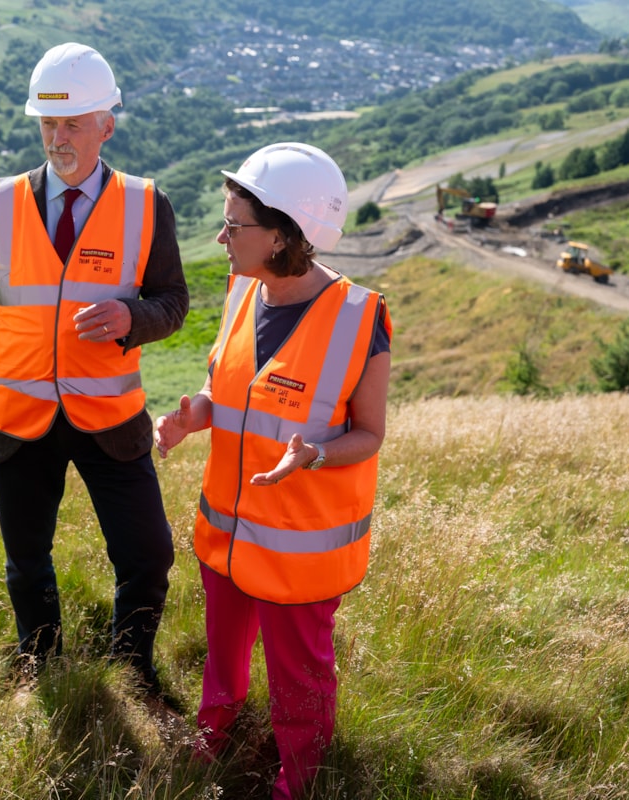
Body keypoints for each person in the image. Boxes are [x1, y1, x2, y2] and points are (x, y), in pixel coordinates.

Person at [0, 42, 189, 699]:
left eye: (73, 124)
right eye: (48, 123)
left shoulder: (147, 204)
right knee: (26, 560)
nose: (58, 138)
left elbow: (174, 302)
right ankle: (40, 663)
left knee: (148, 555)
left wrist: (133, 317)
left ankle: (132, 669)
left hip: (110, 417)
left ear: (106, 125)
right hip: (16, 418)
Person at [154, 142, 392, 799]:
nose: (222, 237)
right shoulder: (241, 293)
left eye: (235, 226)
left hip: (299, 549)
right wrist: (194, 417)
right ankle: (216, 730)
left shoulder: (359, 318)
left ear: (283, 235)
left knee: (300, 678)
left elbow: (370, 434)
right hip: (227, 533)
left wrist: (314, 454)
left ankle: (300, 777)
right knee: (223, 653)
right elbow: (226, 393)